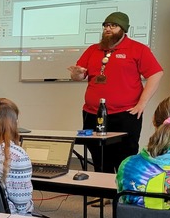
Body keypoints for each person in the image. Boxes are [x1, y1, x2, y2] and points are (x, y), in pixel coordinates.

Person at [67, 11, 164, 172]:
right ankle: (103, 195)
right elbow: (79, 75)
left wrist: (142, 103)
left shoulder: (138, 49)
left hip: (125, 114)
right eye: (105, 25)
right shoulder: (93, 50)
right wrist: (76, 73)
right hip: (92, 114)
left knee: (124, 158)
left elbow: (156, 73)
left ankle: (121, 195)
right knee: (98, 156)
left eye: (113, 25)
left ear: (123, 29)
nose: (108, 28)